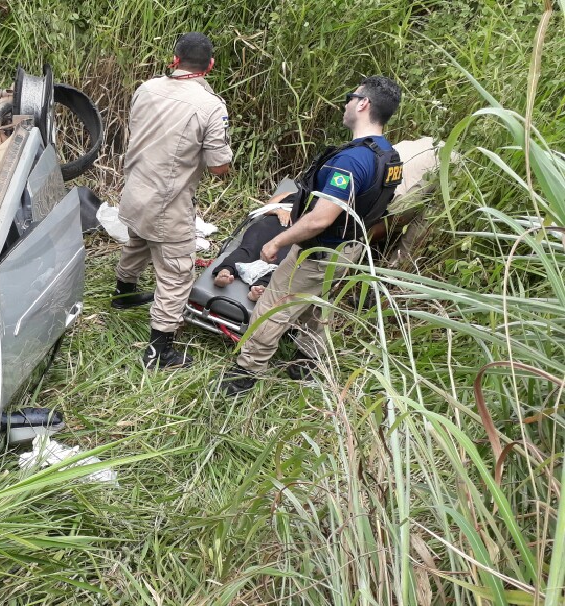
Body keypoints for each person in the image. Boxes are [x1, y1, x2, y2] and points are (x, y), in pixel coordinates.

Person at [220, 75, 403, 395]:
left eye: (351, 96)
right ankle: (307, 360)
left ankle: (246, 373)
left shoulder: (351, 160)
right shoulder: (390, 156)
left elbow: (321, 218)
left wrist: (278, 240)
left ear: (363, 104)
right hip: (350, 248)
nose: (345, 103)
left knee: (274, 307)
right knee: (320, 304)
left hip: (318, 251)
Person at [112, 32, 233, 369]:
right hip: (167, 203)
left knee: (138, 239)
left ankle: (123, 293)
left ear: (175, 59)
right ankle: (159, 352)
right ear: (210, 65)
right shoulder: (210, 105)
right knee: (177, 274)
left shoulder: (147, 87)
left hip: (135, 191)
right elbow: (219, 166)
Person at [212, 199, 293, 301]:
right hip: (272, 222)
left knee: (283, 259)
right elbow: (266, 207)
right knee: (249, 248)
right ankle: (225, 272)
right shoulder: (291, 194)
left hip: (294, 233)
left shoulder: (319, 205)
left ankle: (260, 286)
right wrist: (278, 210)